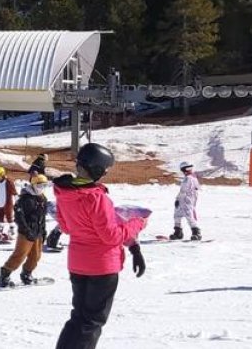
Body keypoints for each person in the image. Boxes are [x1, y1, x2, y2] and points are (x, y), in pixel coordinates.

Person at [53, 143, 147, 349]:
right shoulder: (96, 197)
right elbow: (111, 236)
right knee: (92, 321)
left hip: (78, 263)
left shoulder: (64, 192)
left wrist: (134, 247)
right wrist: (138, 222)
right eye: (105, 169)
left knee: (78, 318)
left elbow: (66, 227)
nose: (105, 173)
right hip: (102, 266)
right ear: (96, 169)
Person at [0, 174, 50, 287]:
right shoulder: (25, 199)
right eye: (40, 185)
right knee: (20, 255)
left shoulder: (42, 198)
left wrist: (43, 231)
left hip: (37, 232)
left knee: (36, 256)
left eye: (45, 185)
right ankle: (5, 273)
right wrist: (26, 231)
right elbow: (19, 217)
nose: (42, 188)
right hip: (26, 233)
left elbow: (42, 217)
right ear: (34, 185)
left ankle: (27, 273)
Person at [170, 162, 201, 240]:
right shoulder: (193, 177)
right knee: (177, 215)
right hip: (184, 200)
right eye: (188, 168)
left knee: (189, 216)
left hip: (187, 200)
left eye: (190, 168)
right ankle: (178, 232)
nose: (189, 170)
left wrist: (178, 199)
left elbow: (183, 190)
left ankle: (196, 232)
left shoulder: (189, 178)